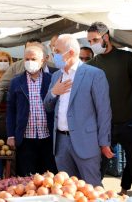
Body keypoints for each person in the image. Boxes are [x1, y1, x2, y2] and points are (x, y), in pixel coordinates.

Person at [44, 34, 112, 186]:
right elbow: (47, 106)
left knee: (92, 188)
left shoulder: (94, 74)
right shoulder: (56, 76)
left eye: (57, 51)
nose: (54, 55)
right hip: (61, 143)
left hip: (86, 142)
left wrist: (104, 142)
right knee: (68, 189)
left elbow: (104, 111)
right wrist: (54, 92)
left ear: (71, 53)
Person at [87, 21, 132, 194]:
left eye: (94, 39)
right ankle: (96, 194)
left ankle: (126, 190)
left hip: (129, 121)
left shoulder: (127, 58)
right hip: (104, 126)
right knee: (100, 164)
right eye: (89, 41)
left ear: (106, 37)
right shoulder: (91, 65)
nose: (91, 44)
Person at [6, 46, 57, 176]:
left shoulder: (51, 80)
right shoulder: (16, 82)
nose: (30, 62)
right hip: (25, 138)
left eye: (33, 59)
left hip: (47, 137)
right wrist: (11, 135)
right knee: (26, 177)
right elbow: (11, 110)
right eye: (27, 59)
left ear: (42, 61)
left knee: (48, 177)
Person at [0, 39, 58, 118]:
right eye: (28, 49)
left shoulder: (53, 69)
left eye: (34, 48)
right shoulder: (16, 67)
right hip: (24, 115)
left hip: (48, 116)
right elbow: (1, 85)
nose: (30, 51)